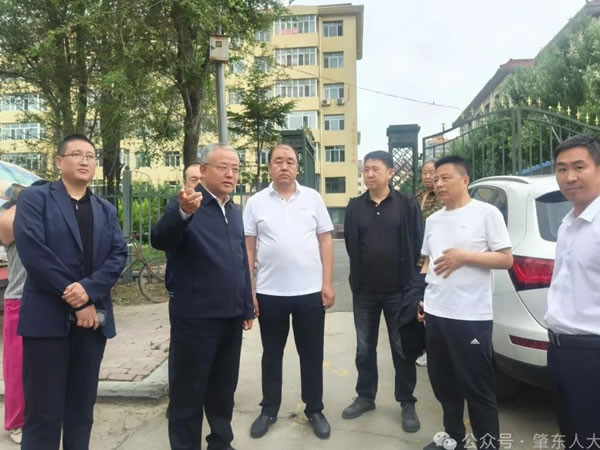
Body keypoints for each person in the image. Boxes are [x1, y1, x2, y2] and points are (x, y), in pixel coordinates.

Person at [13, 134, 127, 450]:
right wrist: (77, 301)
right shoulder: (35, 200)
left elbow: (118, 254)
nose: (85, 160)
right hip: (46, 322)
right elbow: (34, 252)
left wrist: (88, 291)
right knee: (43, 414)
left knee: (81, 412)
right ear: (59, 161)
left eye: (90, 155)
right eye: (77, 154)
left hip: (91, 327)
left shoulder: (104, 209)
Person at [151, 143, 254, 450]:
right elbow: (160, 238)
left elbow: (241, 260)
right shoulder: (187, 204)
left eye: (235, 169)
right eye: (223, 167)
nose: (230, 174)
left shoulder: (233, 211)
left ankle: (220, 442)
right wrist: (183, 212)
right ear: (204, 171)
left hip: (231, 317)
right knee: (188, 392)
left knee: (223, 389)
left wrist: (246, 305)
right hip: (196, 319)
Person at [419, 155, 513, 450]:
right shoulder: (433, 220)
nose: (438, 183)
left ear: (465, 180)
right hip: (436, 313)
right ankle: (453, 438)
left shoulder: (486, 214)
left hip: (471, 317)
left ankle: (488, 445)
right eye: (436, 178)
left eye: (445, 178)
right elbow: (428, 263)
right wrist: (422, 298)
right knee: (443, 384)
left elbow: (506, 259)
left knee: (477, 388)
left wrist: (465, 257)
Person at [243, 144, 335, 440]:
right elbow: (248, 248)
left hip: (310, 292)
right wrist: (250, 290)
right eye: (278, 161)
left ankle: (315, 409)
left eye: (290, 162)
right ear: (269, 166)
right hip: (270, 293)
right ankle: (269, 409)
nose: (284, 166)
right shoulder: (256, 202)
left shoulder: (313, 198)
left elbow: (326, 240)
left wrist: (327, 283)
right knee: (272, 354)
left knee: (312, 354)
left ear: (298, 167)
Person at [342, 150, 425, 434]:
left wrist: (415, 288)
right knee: (364, 348)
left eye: (375, 169)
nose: (369, 174)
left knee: (402, 349)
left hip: (398, 291)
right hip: (365, 292)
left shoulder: (407, 205)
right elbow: (351, 244)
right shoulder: (355, 207)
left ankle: (407, 401)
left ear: (390, 172)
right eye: (366, 169)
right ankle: (366, 396)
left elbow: (418, 244)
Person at [544, 135, 600, 448]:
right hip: (560, 350)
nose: (569, 177)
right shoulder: (568, 223)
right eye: (562, 169)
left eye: (579, 167)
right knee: (573, 436)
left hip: (592, 353)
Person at [0, 183, 33, 445]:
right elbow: (8, 222)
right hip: (19, 301)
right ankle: (16, 422)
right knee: (17, 368)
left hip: (49, 301)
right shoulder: (9, 220)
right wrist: (15, 197)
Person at [415, 160, 444, 368]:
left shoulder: (441, 199)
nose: (427, 176)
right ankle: (423, 347)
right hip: (415, 258)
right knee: (418, 305)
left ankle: (431, 349)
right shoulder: (417, 197)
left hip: (432, 260)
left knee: (430, 306)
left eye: (431, 172)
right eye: (424, 172)